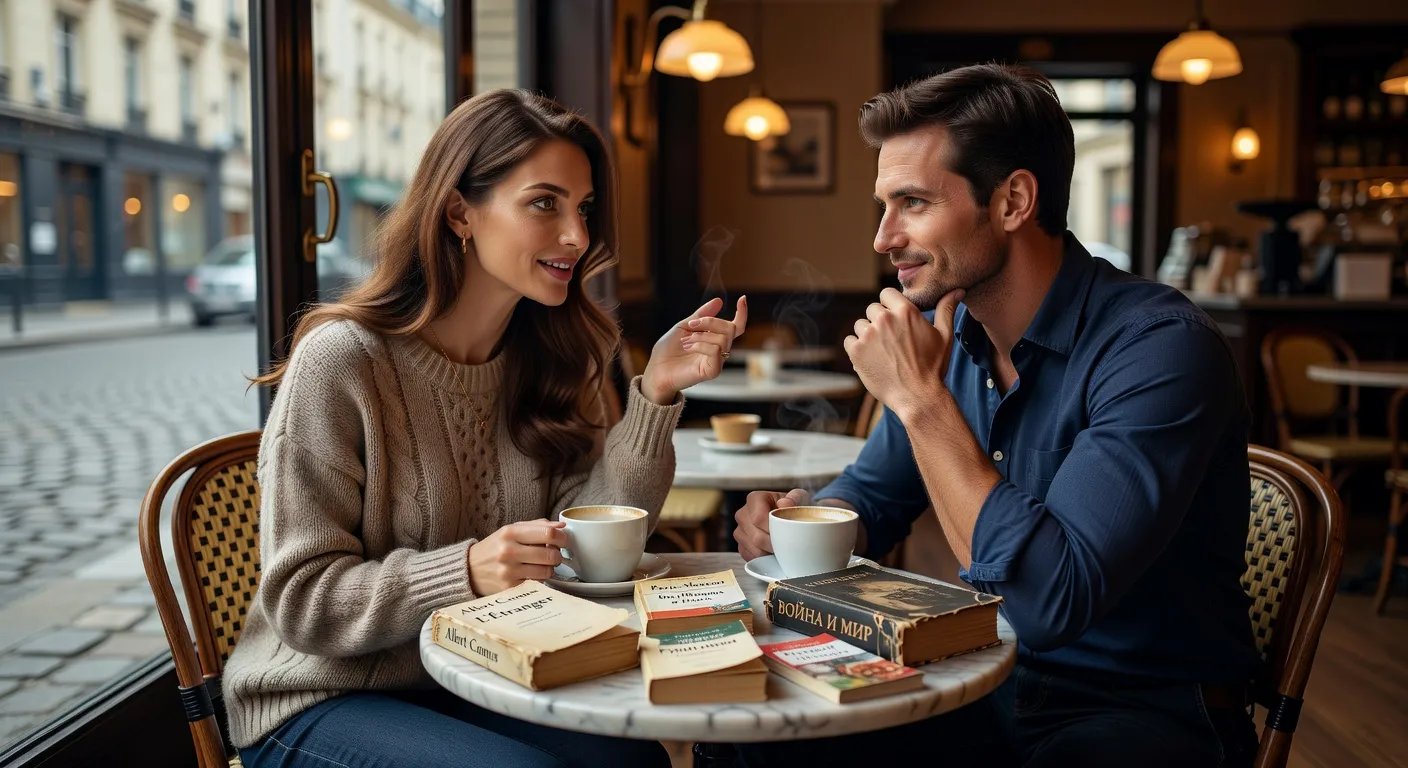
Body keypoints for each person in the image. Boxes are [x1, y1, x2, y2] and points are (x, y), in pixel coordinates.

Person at [733, 64, 1258, 767]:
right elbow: (875, 497)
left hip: (1145, 710)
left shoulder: (1160, 350)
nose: (883, 238)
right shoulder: (953, 344)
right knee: (755, 739)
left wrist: (920, 401)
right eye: (883, 206)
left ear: (1012, 201)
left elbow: (1047, 606)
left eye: (913, 202)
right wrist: (805, 522)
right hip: (986, 676)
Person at [226, 89, 748, 768]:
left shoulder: (562, 355)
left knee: (635, 760)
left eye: (583, 209)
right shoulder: (344, 362)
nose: (577, 236)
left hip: (480, 671)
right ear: (458, 213)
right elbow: (303, 605)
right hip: (318, 698)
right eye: (544, 203)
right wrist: (464, 571)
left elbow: (592, 548)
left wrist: (656, 393)